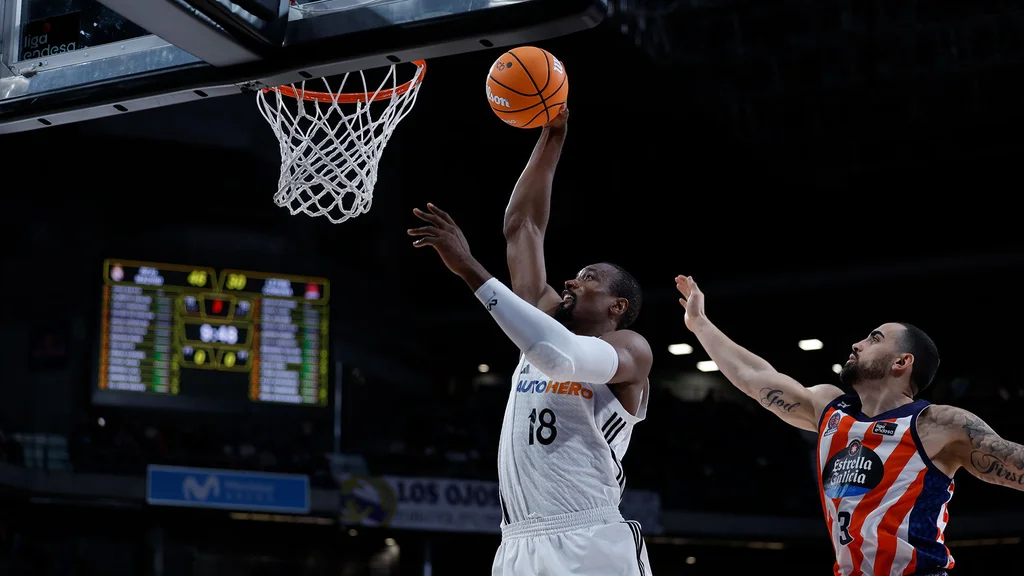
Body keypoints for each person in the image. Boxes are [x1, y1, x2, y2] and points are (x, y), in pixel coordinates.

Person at [407, 106, 654, 576]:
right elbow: (523, 226)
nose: (573, 280)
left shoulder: (631, 349)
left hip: (590, 538)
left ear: (616, 306)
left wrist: (469, 268)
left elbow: (560, 359)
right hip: (518, 541)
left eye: (589, 278)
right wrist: (553, 135)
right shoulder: (541, 320)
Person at [674, 274, 1024, 576]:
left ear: (902, 361)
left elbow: (1013, 461)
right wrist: (699, 323)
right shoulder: (828, 407)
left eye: (874, 339)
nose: (857, 344)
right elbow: (754, 377)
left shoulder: (937, 423)